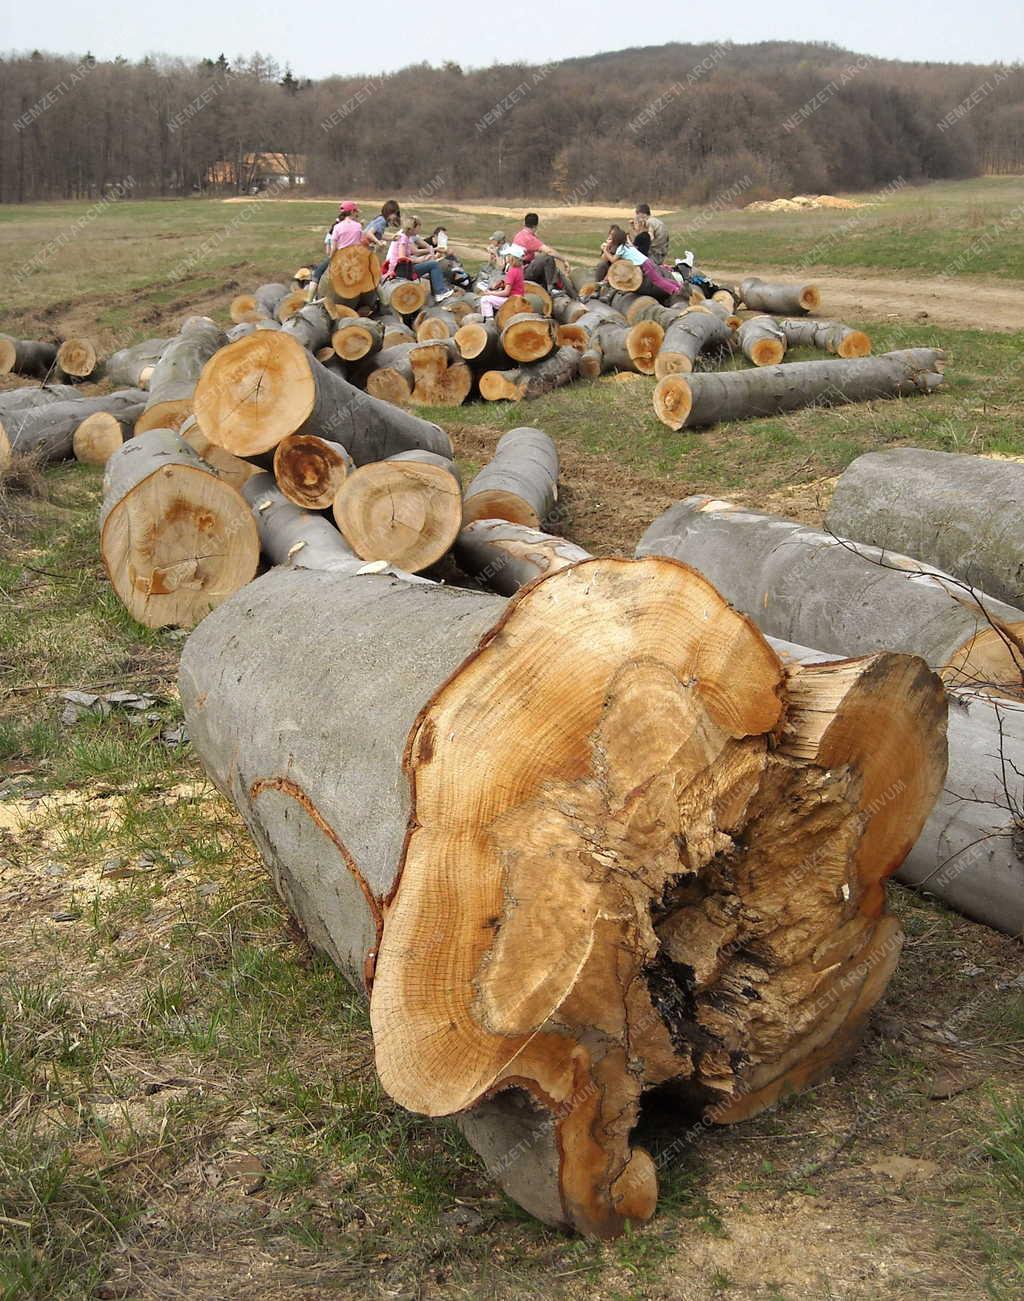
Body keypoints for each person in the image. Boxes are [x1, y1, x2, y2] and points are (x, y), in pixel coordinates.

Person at [307, 200, 369, 300]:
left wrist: (331, 258)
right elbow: (361, 244)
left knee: (317, 273)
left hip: (340, 257)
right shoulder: (358, 226)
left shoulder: (337, 227)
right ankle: (381, 300)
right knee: (372, 275)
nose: (357, 213)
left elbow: (334, 248)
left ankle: (309, 299)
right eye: (356, 211)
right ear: (352, 212)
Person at [383, 217, 454, 300]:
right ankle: (440, 292)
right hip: (401, 270)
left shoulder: (406, 237)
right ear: (411, 228)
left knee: (431, 264)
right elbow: (402, 258)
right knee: (434, 265)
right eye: (417, 228)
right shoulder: (403, 239)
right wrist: (419, 260)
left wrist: (426, 256)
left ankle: (438, 291)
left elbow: (415, 251)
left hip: (402, 268)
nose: (418, 231)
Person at [512, 212, 579, 299]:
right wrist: (564, 260)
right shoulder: (529, 238)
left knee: (556, 271)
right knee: (547, 258)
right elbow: (549, 251)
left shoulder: (519, 235)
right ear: (536, 226)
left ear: (524, 223)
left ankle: (575, 297)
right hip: (523, 272)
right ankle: (552, 288)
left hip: (518, 270)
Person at [604, 225, 680, 301]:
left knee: (657, 281)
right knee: (660, 278)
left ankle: (675, 290)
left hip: (644, 264)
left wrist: (605, 250)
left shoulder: (621, 248)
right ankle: (678, 286)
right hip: (647, 262)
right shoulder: (627, 245)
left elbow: (613, 260)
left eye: (611, 238)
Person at [478, 245, 525, 318]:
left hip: (512, 300)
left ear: (511, 258)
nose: (506, 257)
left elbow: (506, 292)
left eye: (507, 255)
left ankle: (489, 321)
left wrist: (490, 293)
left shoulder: (512, 271)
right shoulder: (519, 268)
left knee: (485, 300)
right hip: (519, 297)